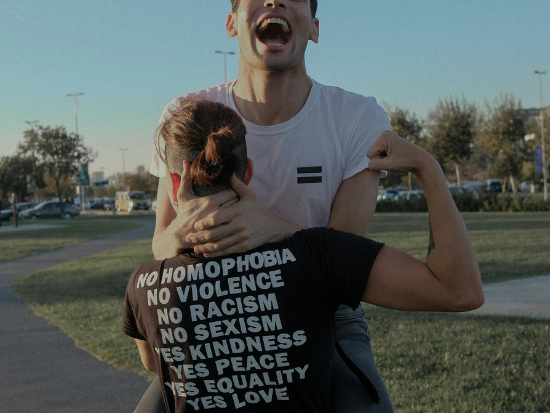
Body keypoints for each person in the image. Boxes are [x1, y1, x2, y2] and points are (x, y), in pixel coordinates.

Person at [146, 0, 392, 413]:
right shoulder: (187, 114)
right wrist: (177, 235)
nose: (276, 0)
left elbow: (344, 258)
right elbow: (159, 247)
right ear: (232, 23)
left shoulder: (358, 116)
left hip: (324, 315)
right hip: (214, 310)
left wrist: (272, 229)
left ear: (314, 28)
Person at [125, 99, 484, 413]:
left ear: (174, 184)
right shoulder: (319, 254)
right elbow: (459, 291)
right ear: (248, 174)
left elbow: (154, 363)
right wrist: (428, 169)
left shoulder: (144, 284)